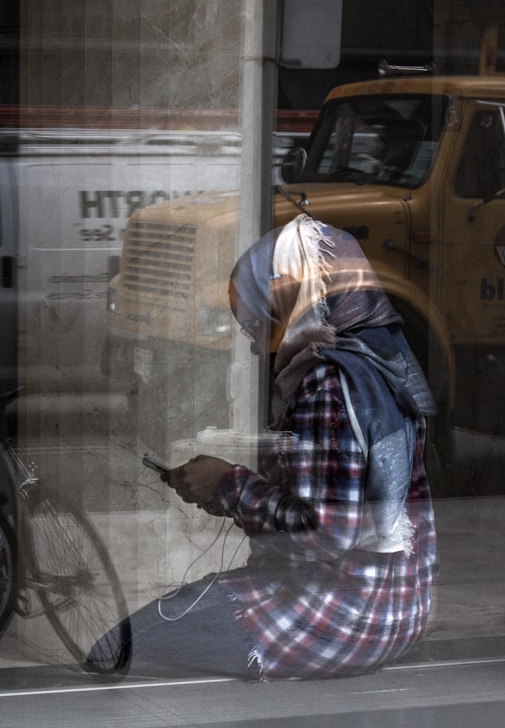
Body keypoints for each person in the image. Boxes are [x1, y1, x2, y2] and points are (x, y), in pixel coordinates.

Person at [98, 214, 438, 681]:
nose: (254, 343)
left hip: (342, 618)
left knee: (114, 649)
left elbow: (329, 534)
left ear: (288, 300)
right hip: (402, 610)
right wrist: (227, 492)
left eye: (255, 322)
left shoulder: (328, 383)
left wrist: (229, 482)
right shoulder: (384, 366)